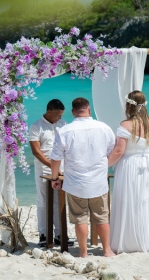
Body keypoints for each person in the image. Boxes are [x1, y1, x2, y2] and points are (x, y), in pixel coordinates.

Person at [49, 97, 115, 258]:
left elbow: (56, 158)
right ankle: (107, 250)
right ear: (89, 110)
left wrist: (54, 178)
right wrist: (103, 167)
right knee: (102, 217)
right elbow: (112, 151)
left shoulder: (65, 131)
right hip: (98, 181)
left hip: (75, 182)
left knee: (80, 218)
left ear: (73, 112)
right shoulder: (104, 128)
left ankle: (83, 252)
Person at [107, 90, 149, 253]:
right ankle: (143, 240)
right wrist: (147, 157)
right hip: (148, 165)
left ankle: (127, 242)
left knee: (128, 200)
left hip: (130, 166)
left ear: (128, 105)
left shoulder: (126, 125)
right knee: (143, 201)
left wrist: (103, 166)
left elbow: (119, 151)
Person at [28, 99, 68, 248]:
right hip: (44, 168)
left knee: (59, 200)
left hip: (62, 167)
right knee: (43, 201)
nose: (59, 117)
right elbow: (36, 151)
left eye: (61, 115)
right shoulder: (36, 126)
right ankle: (43, 233)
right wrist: (51, 166)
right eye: (57, 114)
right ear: (49, 111)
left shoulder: (63, 124)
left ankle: (59, 234)